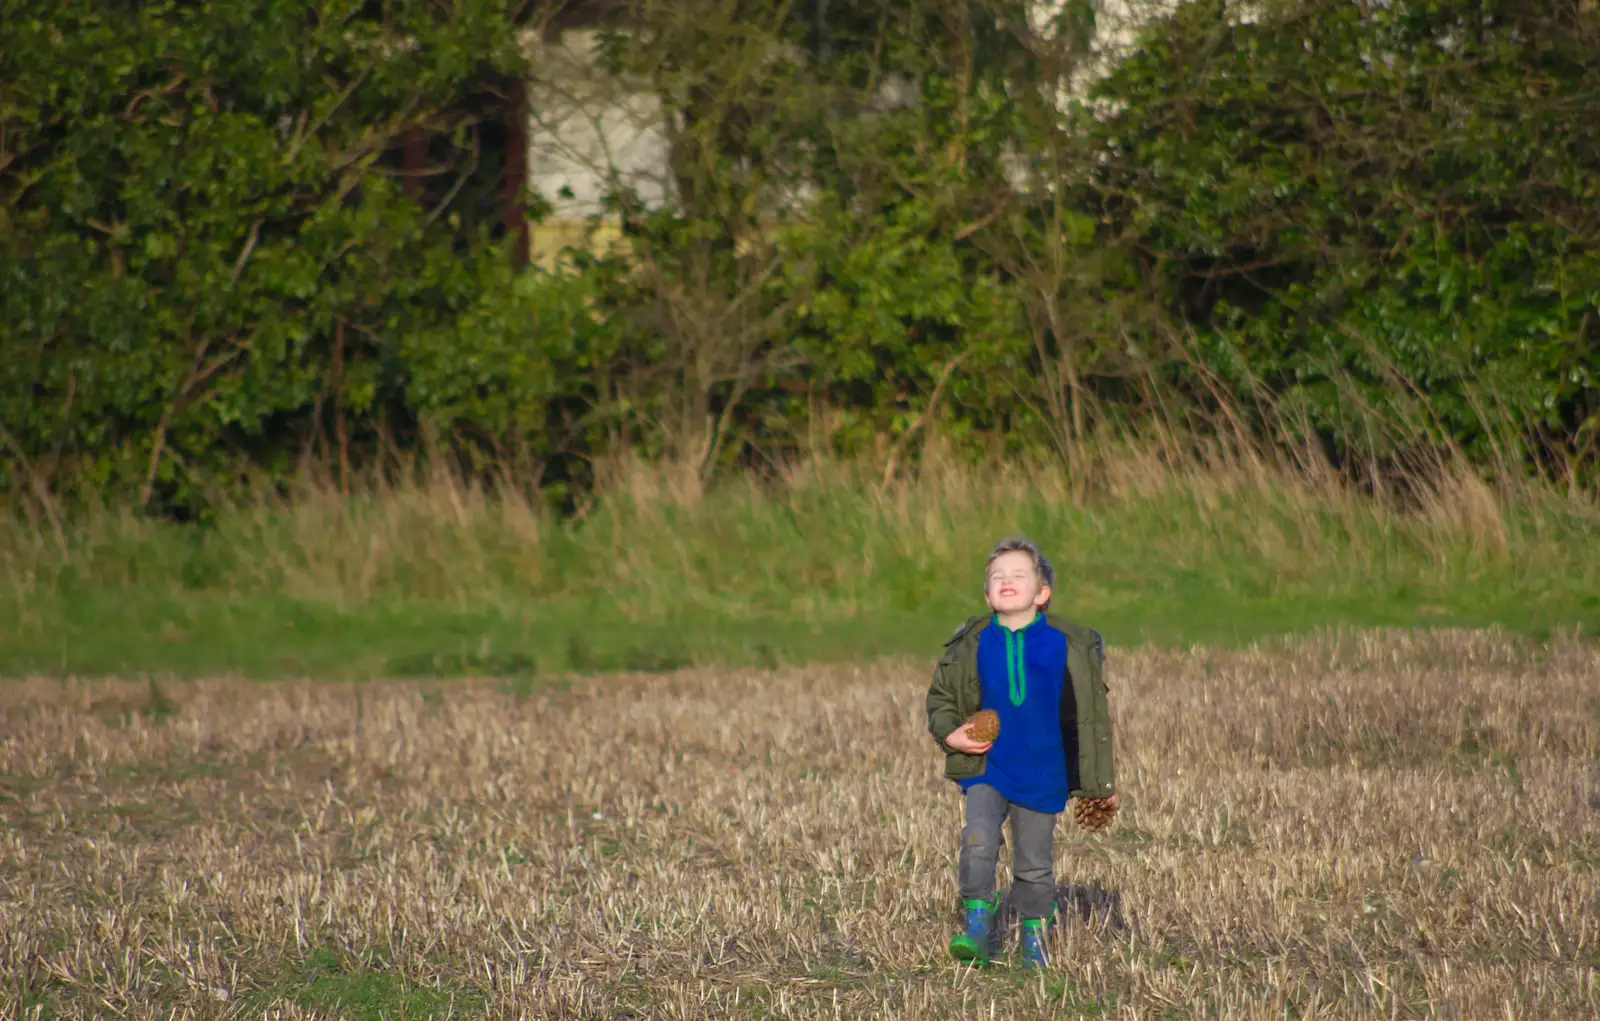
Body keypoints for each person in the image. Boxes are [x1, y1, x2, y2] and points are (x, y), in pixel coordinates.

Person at [925, 536, 1118, 968]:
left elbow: (1088, 723)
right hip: (988, 768)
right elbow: (939, 701)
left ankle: (1034, 935)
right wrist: (951, 735)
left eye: (1018, 575)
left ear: (1042, 592)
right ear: (987, 594)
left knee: (1033, 865)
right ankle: (977, 921)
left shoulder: (1065, 646)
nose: (1006, 581)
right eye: (997, 577)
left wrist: (1100, 785)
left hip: (1043, 773)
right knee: (977, 841)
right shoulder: (970, 645)